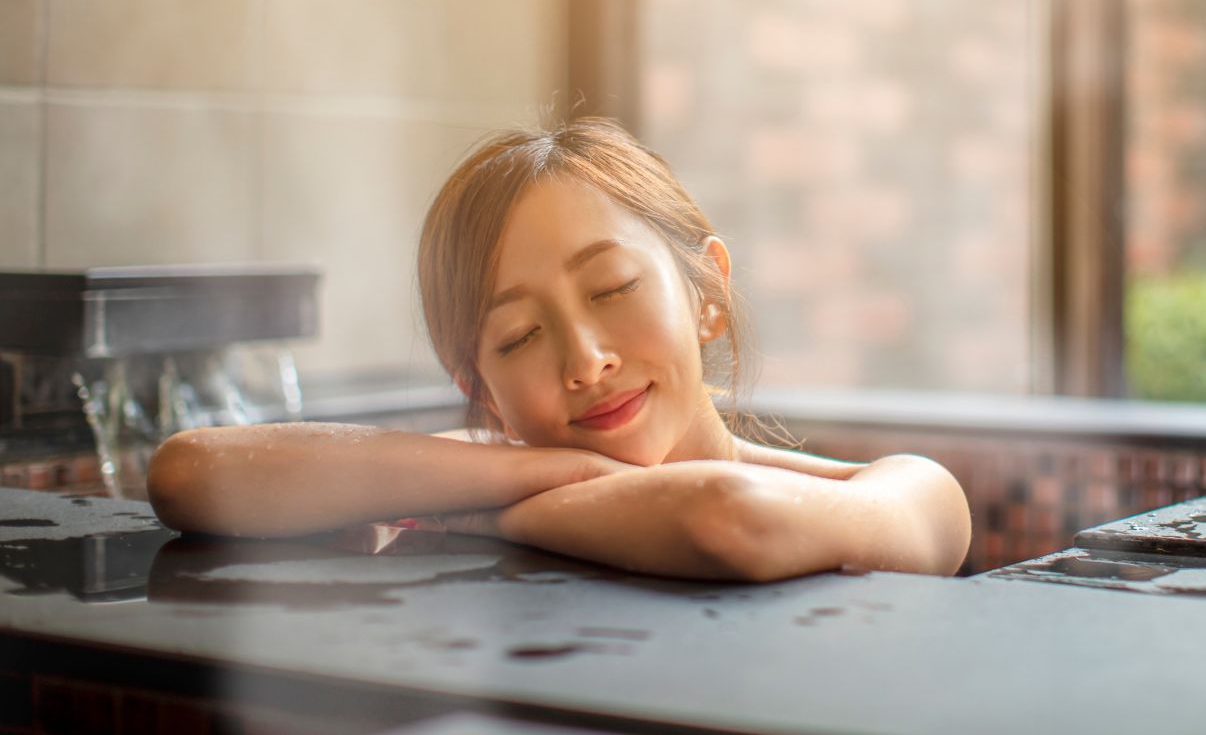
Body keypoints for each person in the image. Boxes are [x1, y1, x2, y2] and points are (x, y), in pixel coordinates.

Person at [148, 118, 972, 581]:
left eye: (612, 289)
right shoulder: (488, 469)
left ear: (707, 295)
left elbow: (725, 516)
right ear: (479, 382)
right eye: (519, 336)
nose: (583, 361)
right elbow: (190, 474)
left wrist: (485, 507)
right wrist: (536, 470)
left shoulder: (908, 491)